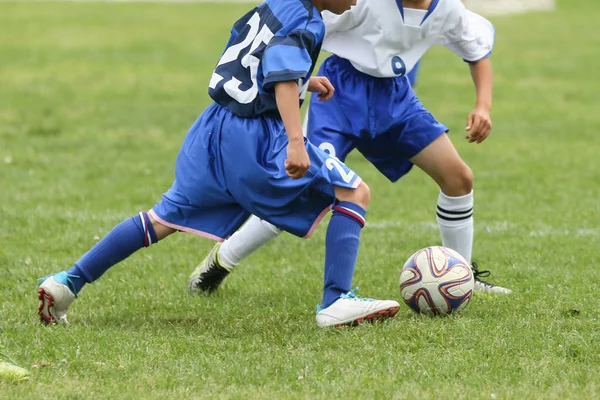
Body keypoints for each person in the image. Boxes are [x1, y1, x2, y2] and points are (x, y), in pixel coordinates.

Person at [37, 0, 401, 328]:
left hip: (214, 128)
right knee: (354, 190)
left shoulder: (274, 5)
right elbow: (282, 74)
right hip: (255, 138)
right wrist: (294, 140)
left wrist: (305, 82)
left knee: (162, 219)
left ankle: (67, 282)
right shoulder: (308, 21)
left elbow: (253, 59)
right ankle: (335, 300)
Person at [189, 0, 512, 296]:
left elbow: (477, 53)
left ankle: (460, 275)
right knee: (300, 186)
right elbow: (299, 30)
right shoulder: (364, 3)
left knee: (458, 178)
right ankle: (221, 260)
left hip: (396, 100)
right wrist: (296, 76)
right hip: (339, 95)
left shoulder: (449, 9)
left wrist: (483, 106)